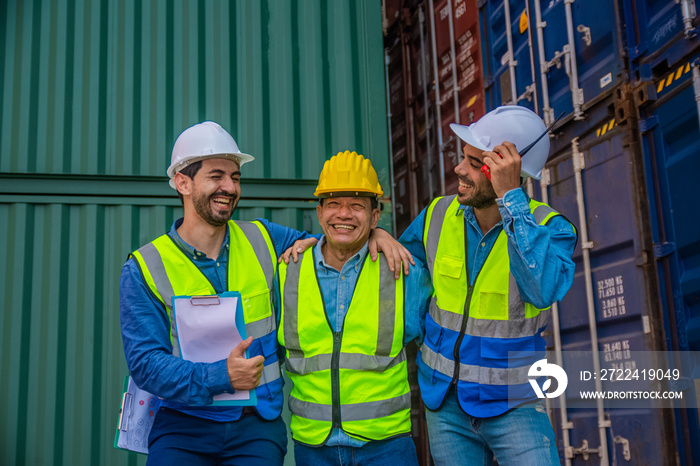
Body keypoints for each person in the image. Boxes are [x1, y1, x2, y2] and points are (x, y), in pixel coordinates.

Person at [119, 122, 411, 465]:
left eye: (236, 177)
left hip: (256, 430)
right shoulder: (144, 267)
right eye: (217, 176)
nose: (230, 187)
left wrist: (378, 234)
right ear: (183, 182)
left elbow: (334, 239)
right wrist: (220, 377)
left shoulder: (265, 240)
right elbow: (145, 363)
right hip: (184, 427)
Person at [399, 106, 578, 465]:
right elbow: (405, 287)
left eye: (473, 162)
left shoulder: (552, 228)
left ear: (507, 172)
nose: (458, 170)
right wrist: (378, 236)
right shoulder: (436, 215)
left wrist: (511, 200)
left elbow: (541, 290)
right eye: (462, 158)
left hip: (514, 404)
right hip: (444, 402)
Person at [276, 151, 432, 465]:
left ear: (375, 217)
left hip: (387, 447)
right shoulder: (285, 272)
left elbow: (439, 348)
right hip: (312, 448)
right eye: (334, 204)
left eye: (357, 205)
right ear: (319, 213)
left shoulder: (404, 273)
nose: (344, 214)